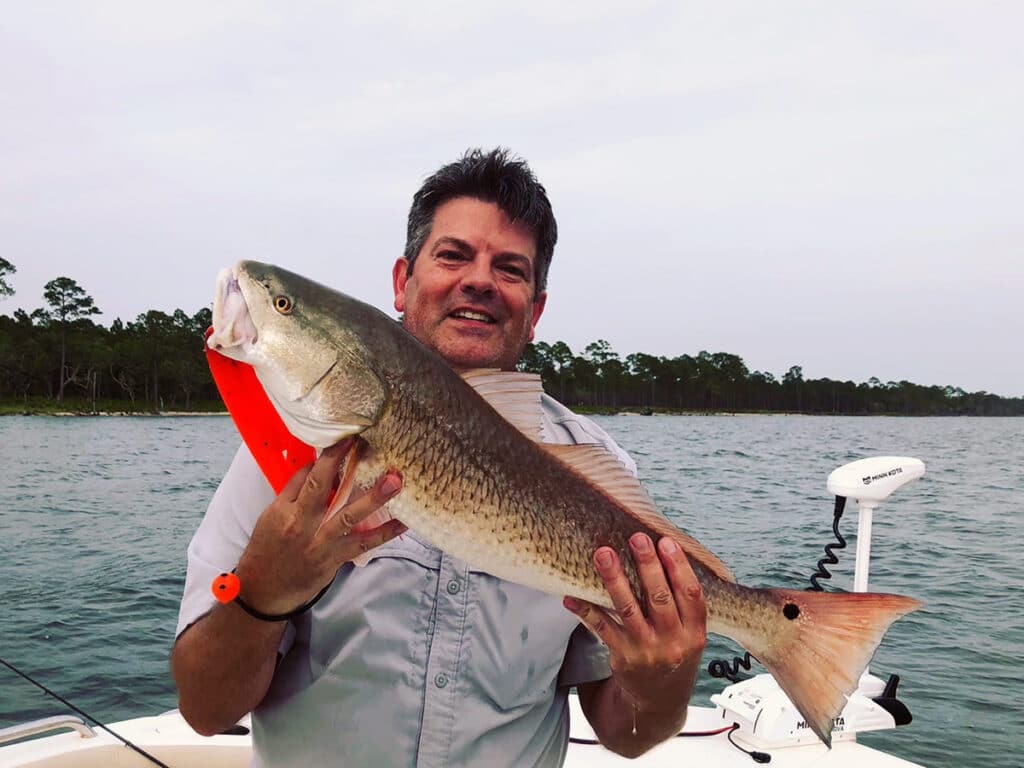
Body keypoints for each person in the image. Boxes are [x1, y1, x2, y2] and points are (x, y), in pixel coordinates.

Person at [172, 148, 707, 766]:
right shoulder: (285, 459)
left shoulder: (589, 466)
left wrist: (663, 673)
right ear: (403, 283)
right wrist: (261, 595)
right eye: (453, 255)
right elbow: (205, 711)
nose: (478, 280)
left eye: (510, 268)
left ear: (535, 311)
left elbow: (624, 733)